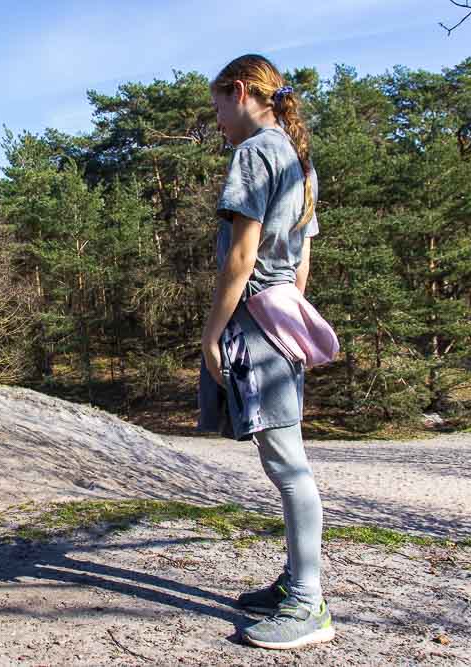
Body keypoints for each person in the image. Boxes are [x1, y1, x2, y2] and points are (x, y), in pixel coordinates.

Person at [198, 54, 335, 650]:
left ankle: (309, 603)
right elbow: (301, 259)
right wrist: (292, 320)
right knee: (284, 458)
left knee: (286, 462)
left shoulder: (255, 152)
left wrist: (212, 332)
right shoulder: (300, 158)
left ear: (240, 92)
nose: (218, 122)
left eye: (218, 108)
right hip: (281, 314)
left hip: (254, 315)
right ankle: (293, 583)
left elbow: (240, 257)